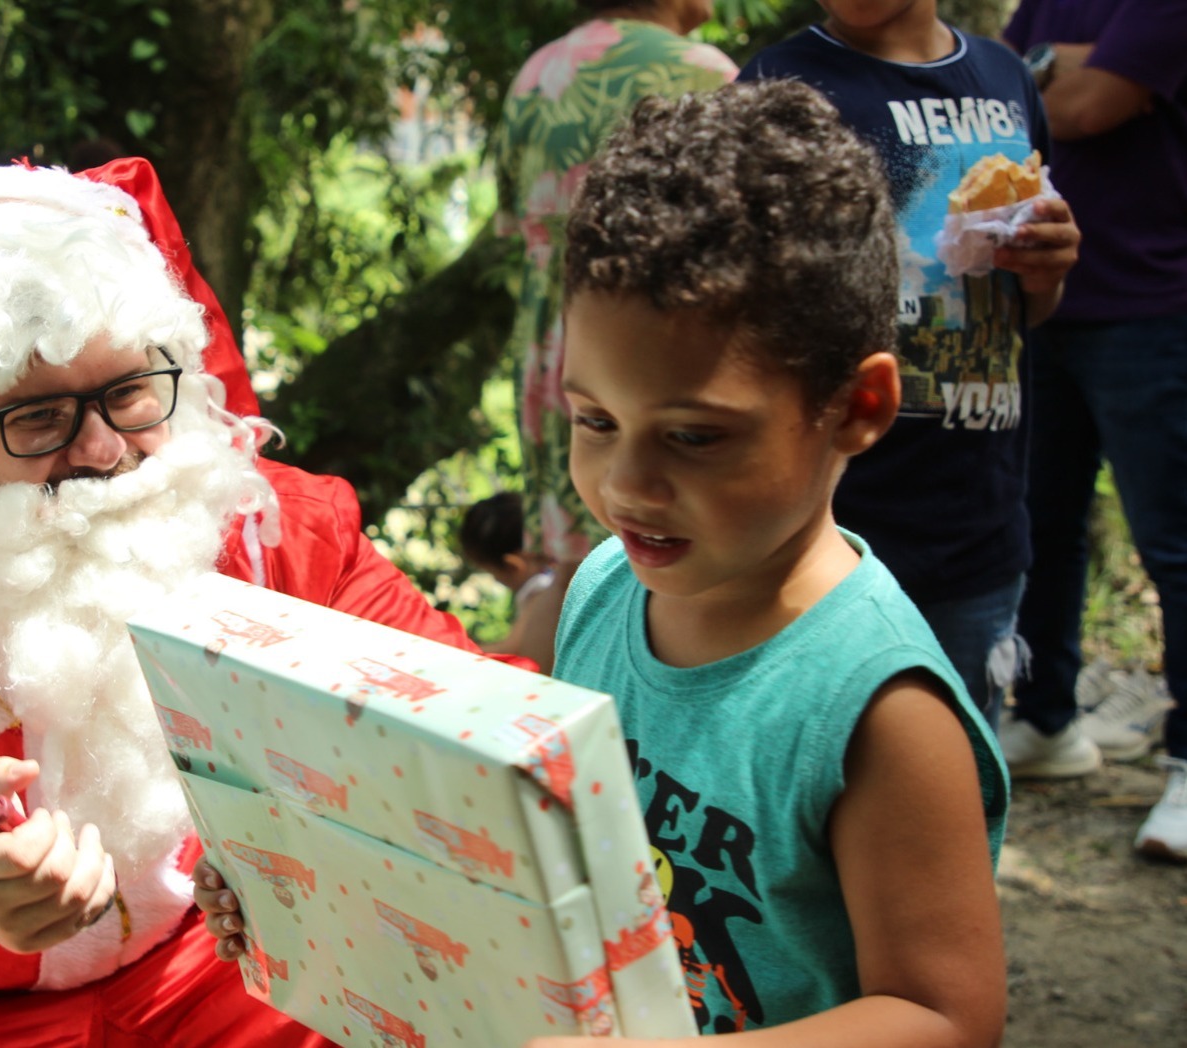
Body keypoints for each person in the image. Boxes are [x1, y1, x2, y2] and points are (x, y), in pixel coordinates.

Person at [204, 80, 1011, 1045]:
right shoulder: (600, 588)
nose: (628, 484)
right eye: (594, 421)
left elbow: (946, 1016)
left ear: (858, 408)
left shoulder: (879, 712)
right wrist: (308, 888)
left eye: (695, 438)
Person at [0, 159, 499, 1047]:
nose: (105, 451)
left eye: (127, 393)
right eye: (37, 418)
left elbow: (482, 721)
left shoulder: (278, 532)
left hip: (241, 986)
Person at [737, 0, 1081, 731]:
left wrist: (1045, 273)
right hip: (823, 532)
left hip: (977, 528)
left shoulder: (1004, 78)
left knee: (957, 781)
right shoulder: (777, 84)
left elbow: (1030, 309)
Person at [493, 0, 737, 674]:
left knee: (571, 559)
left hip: (555, 347)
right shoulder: (701, 72)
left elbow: (515, 226)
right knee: (662, 560)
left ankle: (509, 725)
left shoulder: (538, 73)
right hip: (655, 351)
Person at [998, 0, 1187, 861]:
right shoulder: (1046, 3)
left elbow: (1079, 107)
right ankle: (1043, 720)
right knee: (1039, 524)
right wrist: (1055, 56)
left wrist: (1051, 70)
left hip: (1155, 307)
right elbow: (1003, 96)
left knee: (1173, 539)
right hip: (1043, 307)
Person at [458, 491, 557, 656]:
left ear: (513, 566)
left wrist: (454, 655)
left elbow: (514, 650)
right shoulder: (558, 573)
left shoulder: (541, 588)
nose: (496, 580)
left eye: (492, 573)